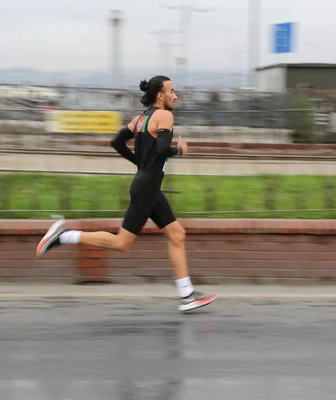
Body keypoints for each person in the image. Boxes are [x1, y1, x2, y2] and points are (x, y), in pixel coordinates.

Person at [36, 75, 218, 313]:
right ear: (161, 96)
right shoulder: (165, 115)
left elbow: (116, 142)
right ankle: (64, 235)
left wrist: (140, 165)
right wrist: (180, 150)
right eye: (172, 91)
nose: (176, 95)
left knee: (177, 233)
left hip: (147, 185)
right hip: (147, 187)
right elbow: (163, 149)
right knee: (121, 243)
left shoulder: (139, 120)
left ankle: (187, 294)